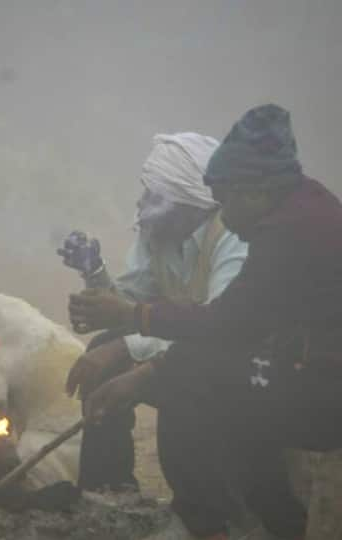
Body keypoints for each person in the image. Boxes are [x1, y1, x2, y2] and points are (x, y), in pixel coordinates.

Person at [68, 104, 342, 540]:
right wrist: (105, 291)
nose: (224, 213)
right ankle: (108, 489)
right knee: (160, 361)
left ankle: (207, 524)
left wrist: (140, 356)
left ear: (253, 192)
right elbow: (215, 322)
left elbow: (227, 325)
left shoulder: (274, 235)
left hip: (320, 386)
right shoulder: (293, 209)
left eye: (226, 200)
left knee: (188, 377)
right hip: (285, 363)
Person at [63, 132, 248, 492]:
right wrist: (94, 272)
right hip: (186, 344)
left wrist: (125, 350)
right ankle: (108, 489)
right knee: (104, 346)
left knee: (175, 379)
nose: (142, 202)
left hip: (232, 363)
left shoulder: (233, 238)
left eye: (154, 195)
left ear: (189, 201)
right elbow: (128, 306)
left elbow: (221, 330)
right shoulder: (159, 232)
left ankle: (201, 512)